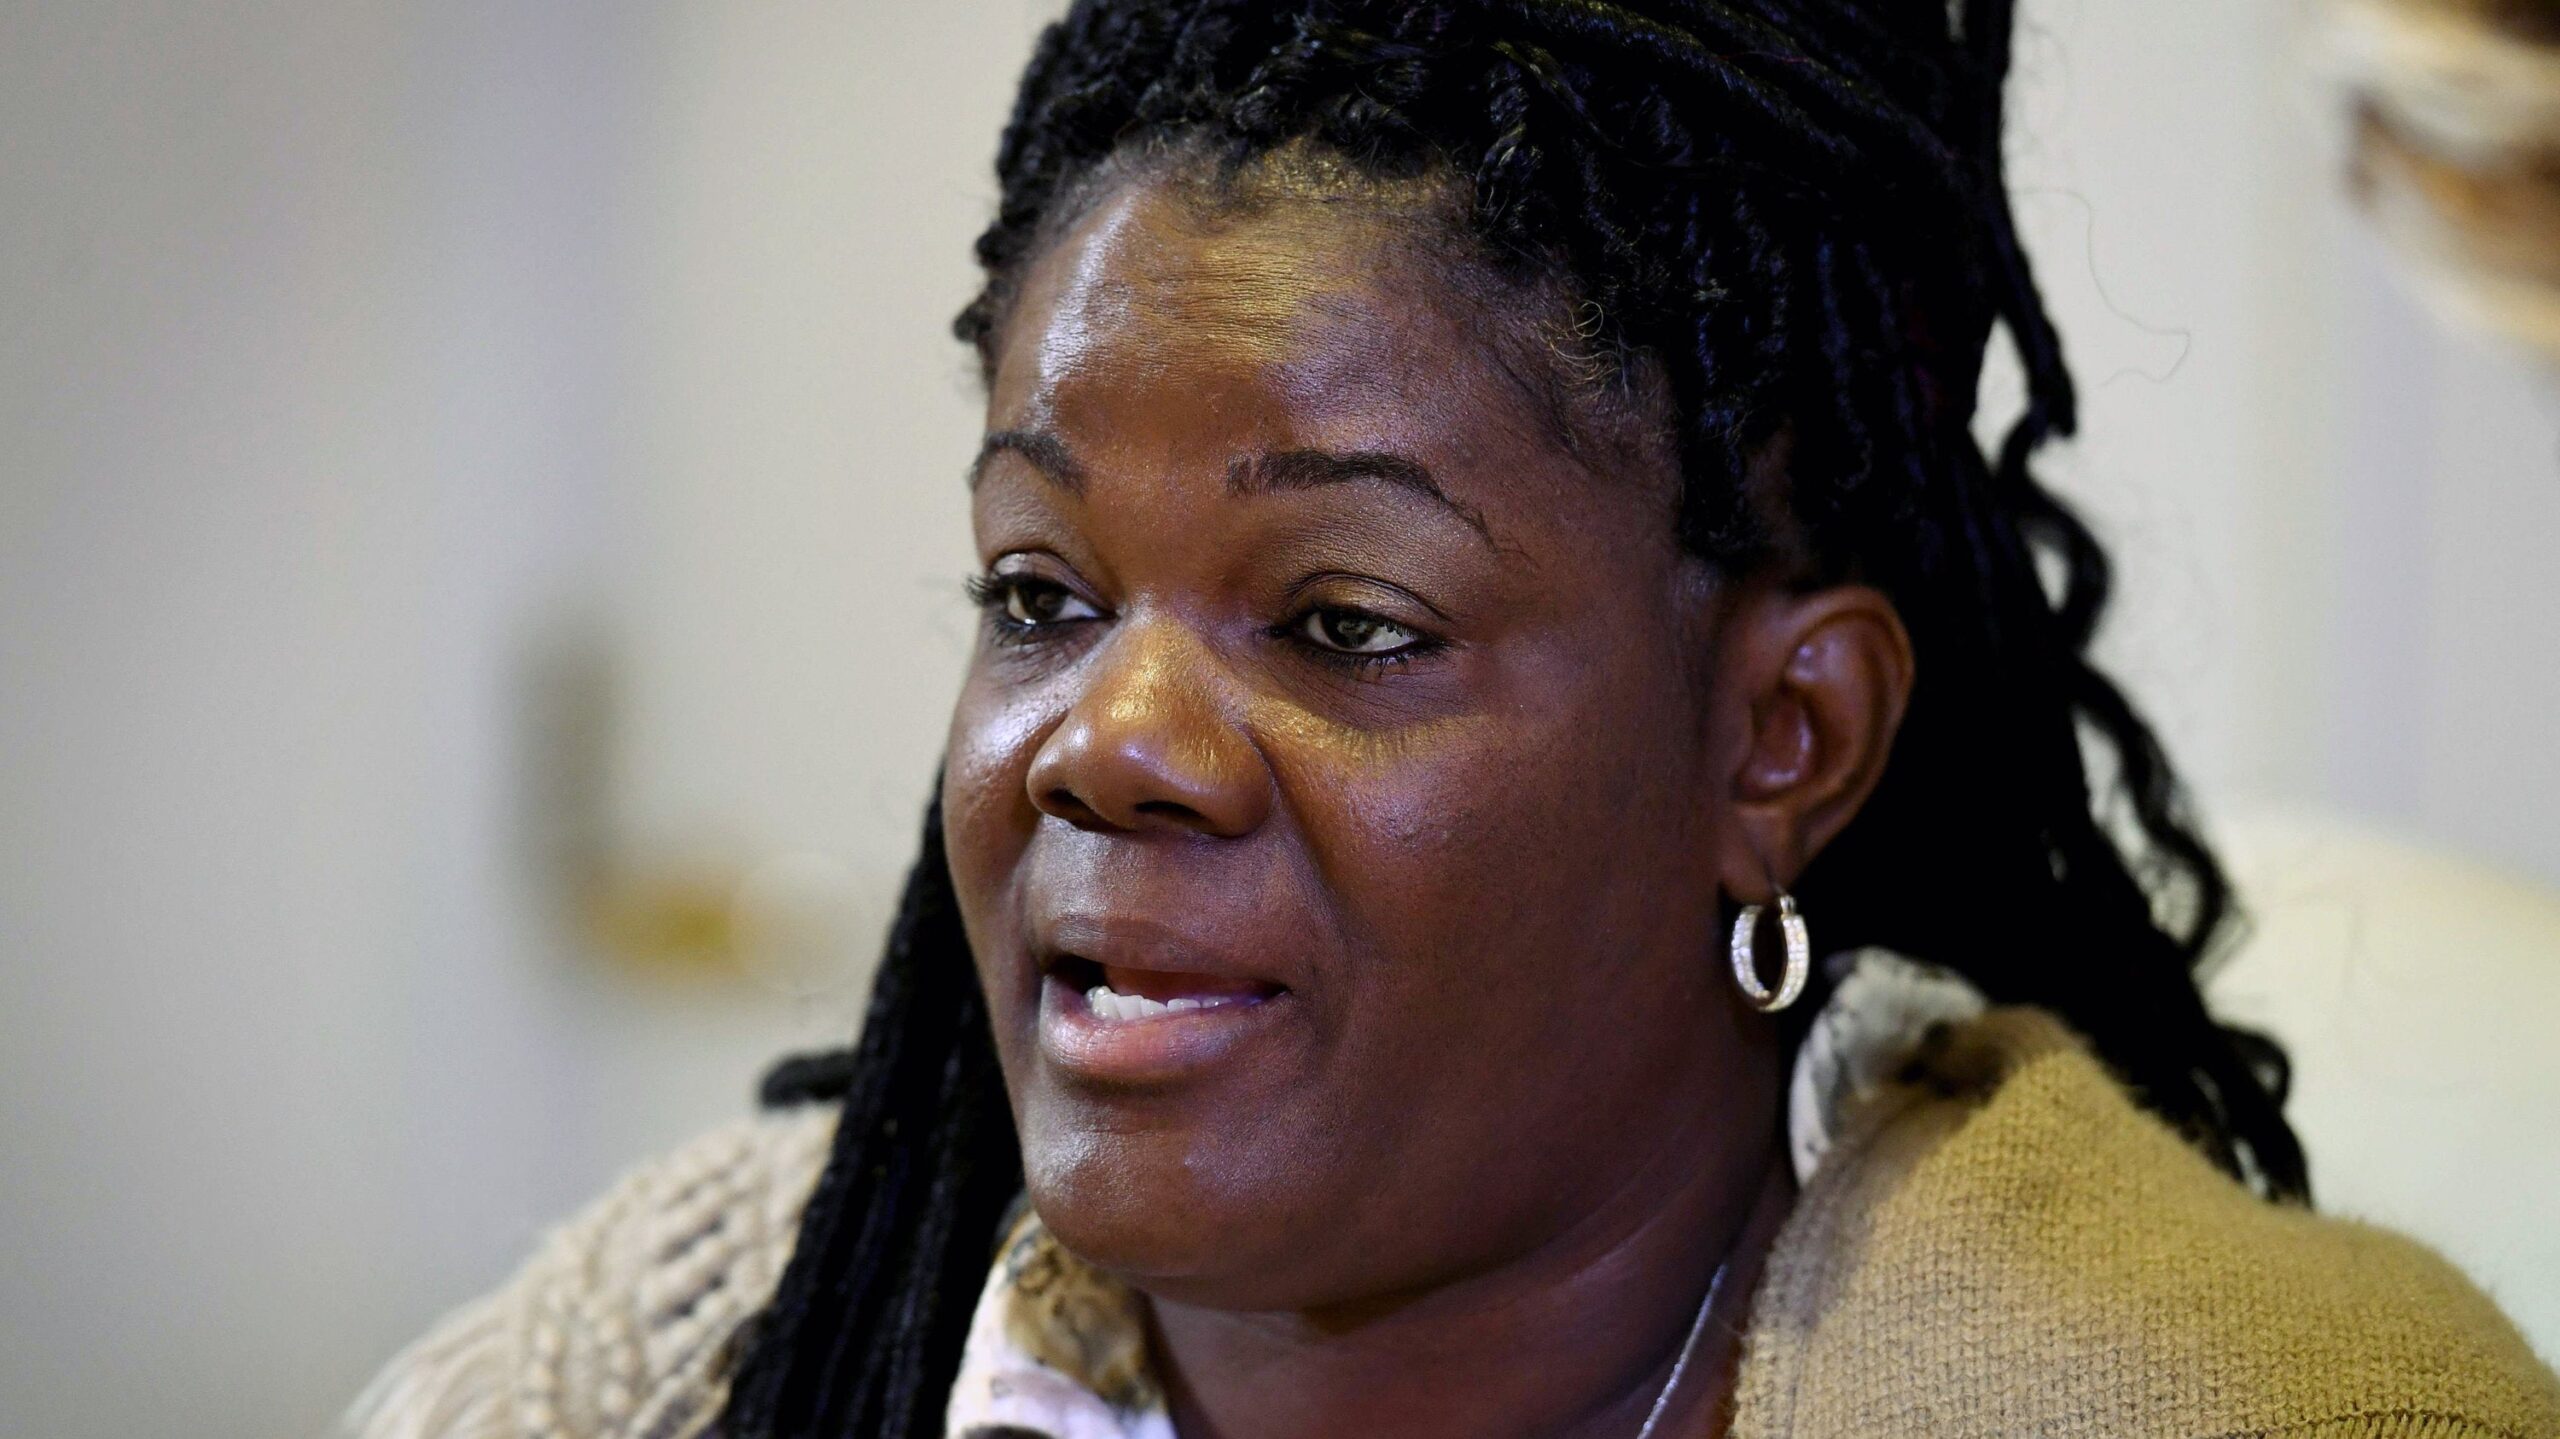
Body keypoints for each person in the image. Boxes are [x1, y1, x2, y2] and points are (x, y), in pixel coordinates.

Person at [348, 3, 2560, 1437]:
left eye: (1343, 623)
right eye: (1039, 595)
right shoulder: (671, 1361)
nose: (1104, 740)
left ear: (1779, 742)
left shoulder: (2232, 1405)